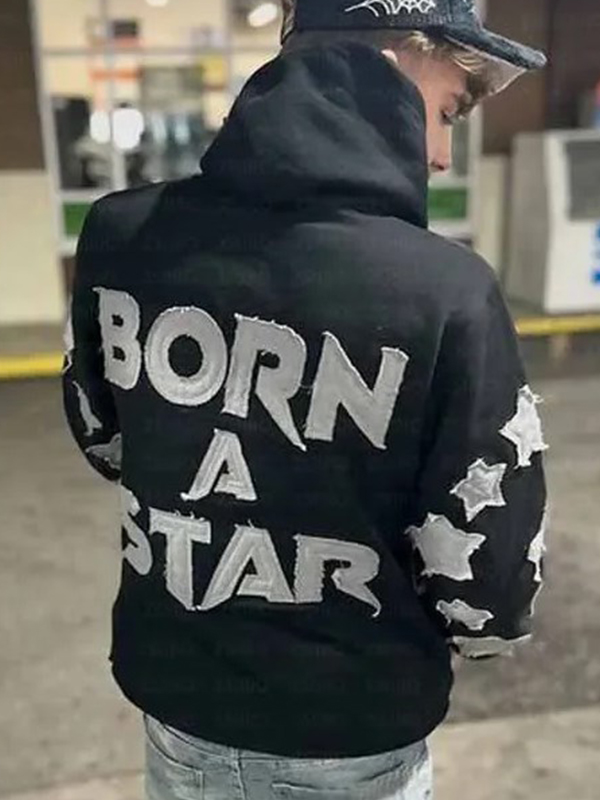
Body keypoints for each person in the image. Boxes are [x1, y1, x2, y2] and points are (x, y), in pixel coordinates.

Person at [61, 1, 549, 797]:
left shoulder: (122, 235)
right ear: (386, 66)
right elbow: (489, 590)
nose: (441, 153)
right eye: (447, 111)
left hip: (176, 698)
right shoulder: (444, 292)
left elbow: (104, 439)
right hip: (350, 728)